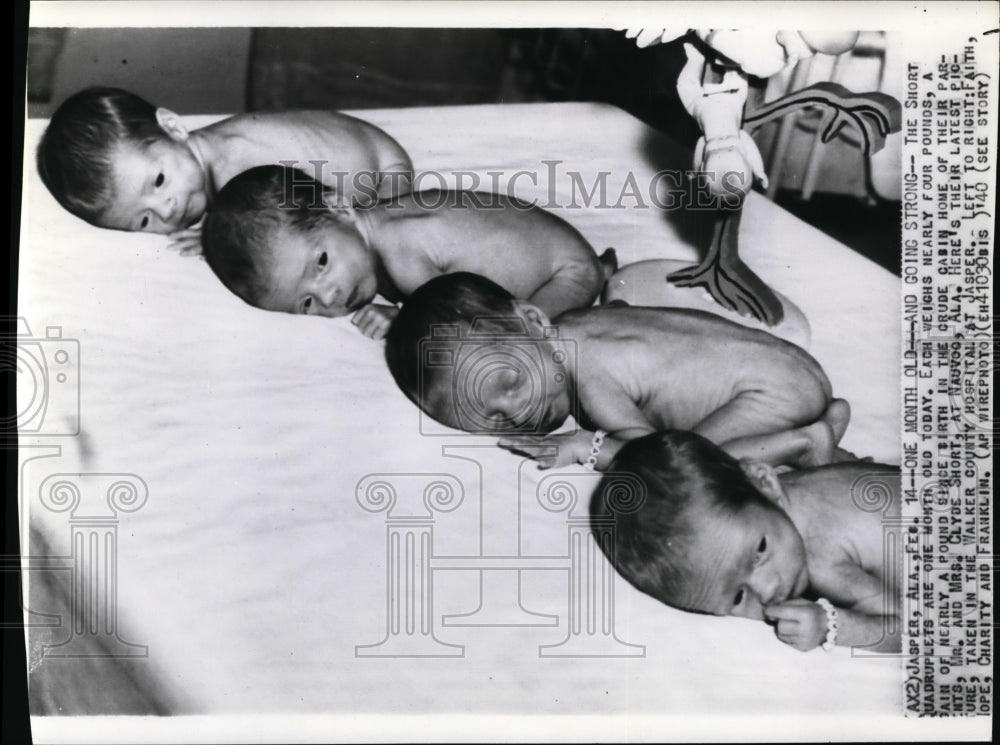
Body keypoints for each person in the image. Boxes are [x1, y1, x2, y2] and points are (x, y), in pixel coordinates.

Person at [384, 272, 850, 470]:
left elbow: (651, 449)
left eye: (512, 381)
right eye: (493, 417)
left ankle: (806, 442)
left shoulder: (589, 373)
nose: (518, 411)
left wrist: (585, 445)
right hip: (793, 367)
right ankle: (824, 420)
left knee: (691, 464)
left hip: (767, 393)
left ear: (533, 320)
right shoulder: (579, 327)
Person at [202, 165, 615, 339]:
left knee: (520, 343)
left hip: (566, 272)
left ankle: (601, 303)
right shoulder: (377, 227)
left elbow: (455, 310)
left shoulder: (399, 248)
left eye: (321, 263)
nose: (329, 296)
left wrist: (404, 318)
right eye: (306, 302)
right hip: (566, 253)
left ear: (341, 208)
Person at [591, 430, 901, 653]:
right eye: (738, 597)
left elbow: (908, 628)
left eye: (760, 550)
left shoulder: (822, 558)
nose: (766, 591)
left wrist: (831, 626)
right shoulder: (763, 485)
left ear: (766, 482)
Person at [35, 87, 413, 254]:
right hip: (363, 143)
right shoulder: (206, 158)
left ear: (173, 126)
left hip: (382, 175)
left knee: (377, 254)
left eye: (159, 181)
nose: (167, 210)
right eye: (144, 221)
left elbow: (279, 225)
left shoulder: (236, 160)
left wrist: (219, 237)